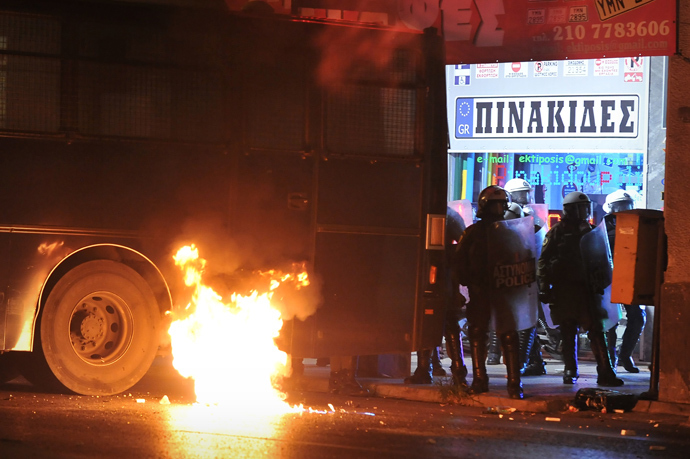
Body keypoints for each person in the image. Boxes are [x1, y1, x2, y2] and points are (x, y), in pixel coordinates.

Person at [537, 191, 623, 387]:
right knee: (568, 331)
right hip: (565, 289)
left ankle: (605, 371)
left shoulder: (592, 231)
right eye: (581, 208)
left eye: (586, 208)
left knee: (596, 330)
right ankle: (570, 370)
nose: (585, 212)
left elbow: (602, 258)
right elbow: (543, 260)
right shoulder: (557, 232)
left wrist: (603, 283)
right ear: (571, 210)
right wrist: (544, 286)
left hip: (587, 290)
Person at [454, 186, 524, 399]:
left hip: (503, 289)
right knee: (477, 333)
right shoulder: (473, 233)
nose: (499, 208)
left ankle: (514, 383)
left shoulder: (510, 231)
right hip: (481, 289)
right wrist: (466, 281)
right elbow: (459, 260)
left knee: (509, 335)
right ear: (485, 206)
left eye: (501, 204)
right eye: (495, 204)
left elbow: (522, 259)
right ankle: (479, 379)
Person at [405, 207, 470, 388]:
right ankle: (449, 371)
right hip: (438, 275)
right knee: (441, 323)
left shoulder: (448, 216)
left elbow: (462, 248)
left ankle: (442, 370)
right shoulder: (449, 216)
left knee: (441, 323)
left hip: (440, 276)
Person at [504, 178, 547, 377]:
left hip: (529, 275)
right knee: (522, 321)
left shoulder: (532, 217)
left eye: (525, 194)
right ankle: (534, 361)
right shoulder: (506, 219)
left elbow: (538, 244)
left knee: (529, 322)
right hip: (515, 275)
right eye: (519, 194)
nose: (523, 199)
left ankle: (525, 361)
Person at [603, 189, 647, 373]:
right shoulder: (602, 228)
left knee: (637, 318)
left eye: (625, 206)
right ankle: (609, 359)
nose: (622, 210)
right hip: (608, 280)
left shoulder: (637, 225)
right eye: (619, 207)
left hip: (628, 278)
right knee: (609, 321)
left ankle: (624, 355)